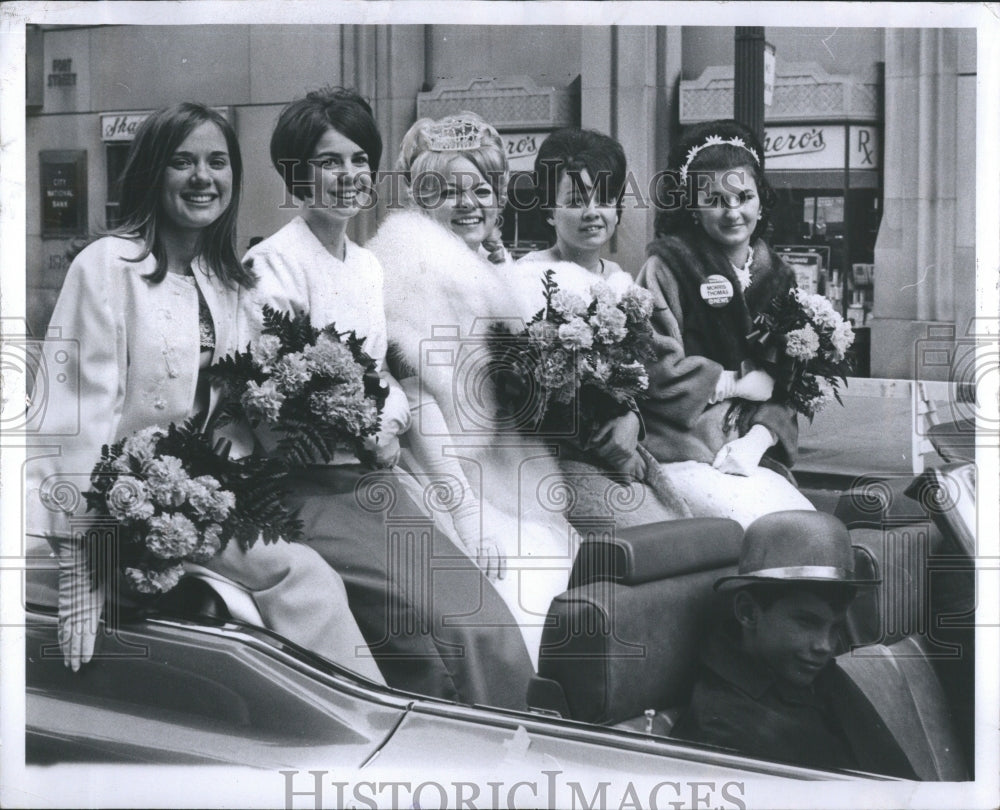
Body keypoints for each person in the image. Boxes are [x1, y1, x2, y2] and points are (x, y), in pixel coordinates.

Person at [24, 102, 384, 683]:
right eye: (182, 162)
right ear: (149, 173)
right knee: (304, 575)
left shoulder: (229, 280)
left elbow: (238, 418)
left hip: (216, 494)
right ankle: (367, 727)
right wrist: (81, 565)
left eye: (218, 162)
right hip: (122, 511)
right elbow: (73, 418)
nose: (203, 178)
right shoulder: (108, 266)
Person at [242, 90, 534, 706]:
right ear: (297, 172)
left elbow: (384, 380)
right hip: (306, 489)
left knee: (484, 613)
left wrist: (382, 419)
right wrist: (362, 423)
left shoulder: (367, 269)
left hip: (374, 481)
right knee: (437, 628)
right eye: (328, 162)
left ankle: (515, 745)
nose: (348, 177)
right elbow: (266, 403)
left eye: (358, 160)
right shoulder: (271, 266)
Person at [368, 112, 605, 668]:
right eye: (448, 191)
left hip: (493, 470)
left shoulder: (482, 266)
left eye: (481, 189)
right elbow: (419, 399)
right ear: (421, 198)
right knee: (519, 595)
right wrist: (467, 515)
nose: (468, 204)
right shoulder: (415, 266)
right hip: (440, 476)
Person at [636, 119, 814, 527]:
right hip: (683, 451)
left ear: (761, 201)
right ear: (693, 208)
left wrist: (760, 438)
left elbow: (791, 383)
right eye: (715, 199)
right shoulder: (666, 268)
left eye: (743, 196)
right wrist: (730, 382)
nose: (733, 212)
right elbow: (650, 365)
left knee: (806, 528)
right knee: (763, 530)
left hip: (750, 453)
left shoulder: (780, 277)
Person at [516, 128, 689, 521]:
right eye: (575, 200)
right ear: (548, 210)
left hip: (621, 448)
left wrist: (631, 419)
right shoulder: (526, 278)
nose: (592, 212)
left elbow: (642, 378)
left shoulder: (620, 280)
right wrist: (608, 446)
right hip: (555, 458)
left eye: (604, 199)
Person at [670, 511, 868, 772]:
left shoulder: (811, 674)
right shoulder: (727, 731)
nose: (826, 646)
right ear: (748, 613)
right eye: (807, 622)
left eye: (835, 628)